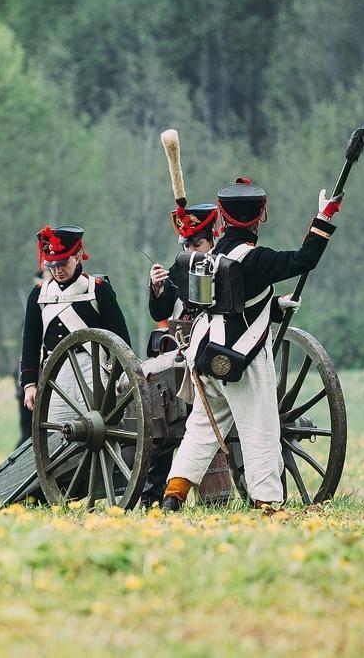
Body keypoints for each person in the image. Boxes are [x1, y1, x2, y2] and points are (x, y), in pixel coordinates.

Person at [162, 179, 341, 511]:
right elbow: (304, 259)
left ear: (222, 219)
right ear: (261, 215)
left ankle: (174, 494)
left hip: (205, 355)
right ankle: (268, 503)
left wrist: (273, 307)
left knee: (202, 426)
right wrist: (324, 217)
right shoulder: (258, 260)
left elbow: (231, 303)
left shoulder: (209, 256)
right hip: (242, 359)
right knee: (261, 430)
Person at [141, 203, 218, 506]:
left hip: (216, 351)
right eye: (187, 244)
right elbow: (159, 312)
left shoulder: (224, 263)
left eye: (196, 242)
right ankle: (152, 495)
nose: (191, 249)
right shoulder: (181, 265)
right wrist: (158, 288)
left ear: (213, 238)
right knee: (163, 421)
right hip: (180, 352)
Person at [20, 226, 131, 423]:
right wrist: (29, 384)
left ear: (77, 256)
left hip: (93, 369)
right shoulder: (38, 294)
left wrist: (120, 377)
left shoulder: (98, 289)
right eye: (52, 265)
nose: (57, 270)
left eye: (63, 263)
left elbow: (120, 338)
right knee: (56, 437)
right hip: (55, 371)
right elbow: (31, 342)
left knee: (101, 433)